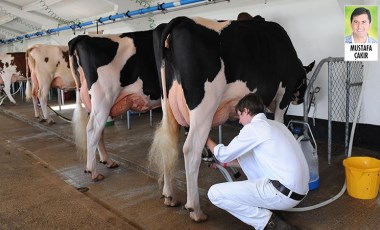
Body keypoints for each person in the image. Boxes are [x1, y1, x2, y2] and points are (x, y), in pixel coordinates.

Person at [206, 93, 309, 230]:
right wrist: (225, 164)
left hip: (283, 194)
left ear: (246, 111)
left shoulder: (253, 128)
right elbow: (248, 160)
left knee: (214, 193)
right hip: (299, 191)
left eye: (239, 116)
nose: (239, 121)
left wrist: (205, 139)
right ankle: (270, 207)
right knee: (246, 153)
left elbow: (223, 154)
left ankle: (269, 223)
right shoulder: (276, 125)